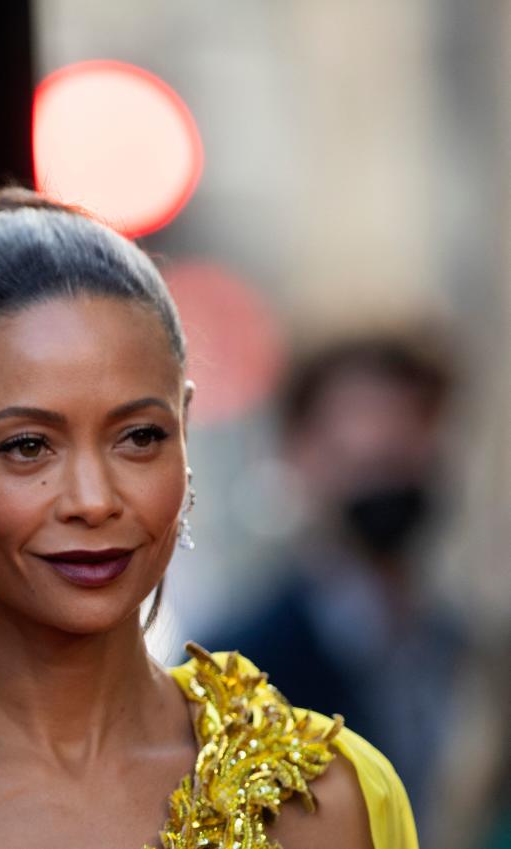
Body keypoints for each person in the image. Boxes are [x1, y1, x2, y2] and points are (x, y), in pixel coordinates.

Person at [0, 189, 417, 849]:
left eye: (139, 437)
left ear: (185, 432)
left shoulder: (323, 791)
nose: (93, 498)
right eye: (28, 446)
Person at [203, 333, 460, 830]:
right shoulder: (241, 670)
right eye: (361, 432)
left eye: (411, 426)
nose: (388, 443)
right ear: (300, 452)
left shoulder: (470, 657)